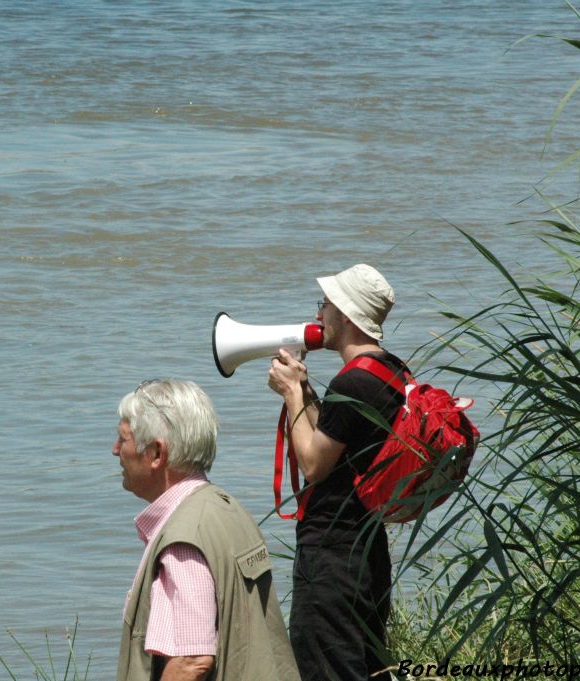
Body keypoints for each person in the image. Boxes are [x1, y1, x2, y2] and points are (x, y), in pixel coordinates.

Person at [267, 264, 407, 681]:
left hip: (331, 557)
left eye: (325, 305)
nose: (318, 314)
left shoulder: (352, 384)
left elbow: (313, 465)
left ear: (345, 316)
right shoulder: (391, 370)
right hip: (367, 549)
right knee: (368, 667)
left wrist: (292, 393)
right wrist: (307, 394)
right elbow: (338, 445)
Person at [113, 379, 301, 681]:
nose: (114, 450)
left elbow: (191, 660)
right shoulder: (226, 508)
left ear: (157, 454)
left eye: (122, 439)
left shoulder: (183, 539)